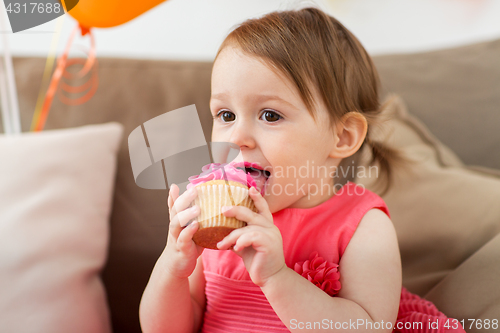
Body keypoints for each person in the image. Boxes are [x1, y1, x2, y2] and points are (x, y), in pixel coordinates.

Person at [139, 6, 466, 333]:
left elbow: (368, 327)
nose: (236, 137)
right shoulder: (216, 225)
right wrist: (173, 268)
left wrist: (276, 278)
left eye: (270, 115)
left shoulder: (362, 226)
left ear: (342, 137)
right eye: (226, 115)